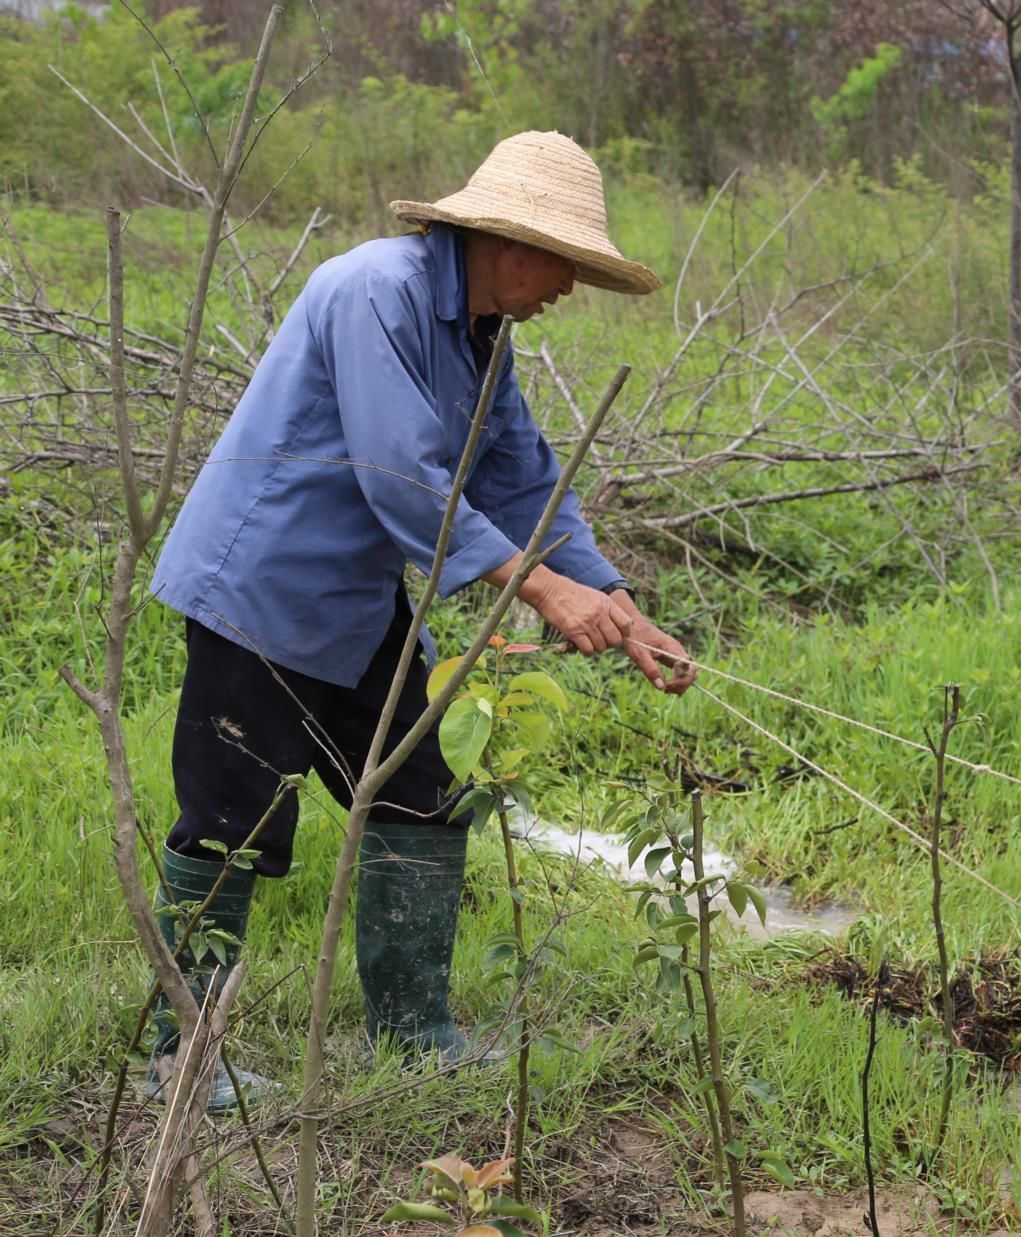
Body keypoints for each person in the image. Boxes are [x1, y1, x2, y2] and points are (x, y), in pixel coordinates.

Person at [147, 131, 694, 1110]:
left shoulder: (484, 337)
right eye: (564, 262)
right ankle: (179, 1058)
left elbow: (522, 474)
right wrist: (538, 590)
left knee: (422, 792)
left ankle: (413, 1030)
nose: (568, 286)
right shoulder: (376, 290)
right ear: (510, 240)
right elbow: (402, 479)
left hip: (355, 606)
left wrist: (609, 596)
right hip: (259, 591)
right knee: (234, 819)